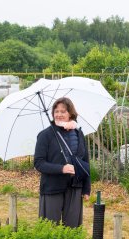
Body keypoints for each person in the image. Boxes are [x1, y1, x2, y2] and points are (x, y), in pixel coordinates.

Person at [33, 97, 90, 227]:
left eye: (63, 111)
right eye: (56, 111)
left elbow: (85, 162)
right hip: (52, 187)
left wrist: (86, 189)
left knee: (72, 228)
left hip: (75, 187)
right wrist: (61, 169)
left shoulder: (78, 133)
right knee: (49, 228)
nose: (59, 114)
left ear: (70, 113)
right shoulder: (45, 135)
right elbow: (39, 163)